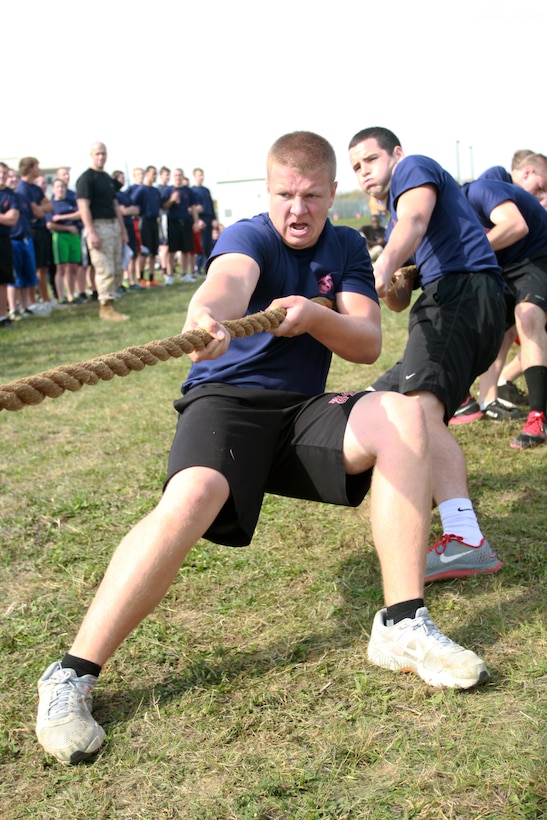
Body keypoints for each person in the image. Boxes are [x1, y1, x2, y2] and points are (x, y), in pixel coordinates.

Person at [35, 131, 491, 766]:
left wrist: (313, 316)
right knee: (194, 493)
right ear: (267, 192)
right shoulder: (249, 236)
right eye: (284, 195)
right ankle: (71, 674)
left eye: (310, 196)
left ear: (334, 194)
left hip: (300, 415)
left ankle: (402, 625)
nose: (296, 210)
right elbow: (224, 284)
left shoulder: (346, 248)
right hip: (225, 402)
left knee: (407, 415)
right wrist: (204, 319)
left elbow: (364, 342)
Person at [348, 126, 506, 583]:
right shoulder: (399, 219)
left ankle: (465, 539)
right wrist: (391, 281)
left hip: (459, 294)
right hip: (461, 301)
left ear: (395, 154)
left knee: (417, 413)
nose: (364, 172)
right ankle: (412, 494)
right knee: (385, 399)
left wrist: (380, 265)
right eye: (356, 167)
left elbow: (416, 222)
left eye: (370, 160)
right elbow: (397, 301)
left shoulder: (412, 170)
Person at [461, 177, 547, 449]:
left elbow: (515, 225)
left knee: (528, 315)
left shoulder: (479, 190)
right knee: (491, 327)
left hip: (537, 256)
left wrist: (467, 254)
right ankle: (488, 400)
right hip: (505, 267)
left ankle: (538, 417)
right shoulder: (448, 219)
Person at [76, 142, 129, 321]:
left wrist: (122, 230)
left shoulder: (106, 178)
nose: (101, 157)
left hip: (112, 225)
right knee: (104, 268)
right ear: (91, 154)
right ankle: (105, 307)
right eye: (98, 154)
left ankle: (111, 302)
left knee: (115, 267)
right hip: (98, 226)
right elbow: (83, 207)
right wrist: (91, 232)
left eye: (103, 154)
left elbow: (115, 205)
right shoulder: (86, 179)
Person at [16, 157, 54, 308]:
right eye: (37, 166)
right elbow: (37, 212)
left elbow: (49, 205)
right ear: (30, 168)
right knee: (35, 268)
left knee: (44, 267)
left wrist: (41, 209)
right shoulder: (23, 188)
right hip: (32, 231)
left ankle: (46, 299)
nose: (39, 169)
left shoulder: (35, 188)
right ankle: (33, 302)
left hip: (42, 229)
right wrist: (42, 209)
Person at [47, 178, 83, 304]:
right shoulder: (51, 204)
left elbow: (80, 213)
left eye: (62, 187)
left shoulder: (71, 201)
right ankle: (61, 297)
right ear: (53, 189)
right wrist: (67, 227)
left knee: (73, 268)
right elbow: (50, 224)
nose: (60, 189)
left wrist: (63, 217)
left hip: (74, 237)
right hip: (61, 236)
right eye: (58, 187)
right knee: (61, 268)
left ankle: (71, 295)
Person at [162, 167, 200, 284]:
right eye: (176, 175)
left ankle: (184, 274)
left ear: (183, 177)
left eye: (180, 175)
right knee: (171, 250)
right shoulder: (168, 190)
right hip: (173, 221)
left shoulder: (188, 191)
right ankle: (169, 275)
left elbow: (193, 207)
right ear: (173, 177)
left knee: (186, 249)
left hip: (185, 221)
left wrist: (196, 221)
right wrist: (171, 200)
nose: (178, 178)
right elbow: (164, 207)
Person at [131, 165, 163, 286]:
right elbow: (132, 202)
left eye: (156, 174)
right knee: (145, 251)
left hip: (155, 221)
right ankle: (141, 278)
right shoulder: (141, 190)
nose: (155, 176)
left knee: (154, 251)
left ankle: (151, 278)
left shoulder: (155, 191)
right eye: (153, 174)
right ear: (147, 174)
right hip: (144, 222)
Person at [0, 162, 19, 328]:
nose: (2, 176)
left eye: (5, 173)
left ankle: (2, 316)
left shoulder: (11, 195)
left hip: (3, 239)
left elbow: (12, 219)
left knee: (3, 278)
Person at [191, 167, 218, 273]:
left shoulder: (206, 190)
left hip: (208, 218)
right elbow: (193, 208)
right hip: (200, 220)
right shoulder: (192, 191)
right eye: (199, 175)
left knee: (208, 244)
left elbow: (211, 205)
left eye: (202, 175)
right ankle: (198, 267)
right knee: (200, 245)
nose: (201, 177)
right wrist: (197, 220)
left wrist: (214, 218)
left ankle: (207, 267)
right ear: (194, 176)